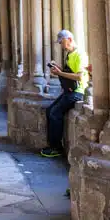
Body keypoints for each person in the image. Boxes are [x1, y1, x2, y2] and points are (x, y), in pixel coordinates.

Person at [41, 29, 89, 158]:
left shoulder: (80, 55)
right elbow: (69, 74)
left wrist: (60, 73)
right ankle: (52, 144)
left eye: (62, 42)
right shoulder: (69, 54)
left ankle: (56, 148)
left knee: (55, 113)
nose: (61, 45)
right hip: (69, 90)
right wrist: (59, 70)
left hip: (77, 92)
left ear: (70, 40)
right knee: (49, 110)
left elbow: (79, 77)